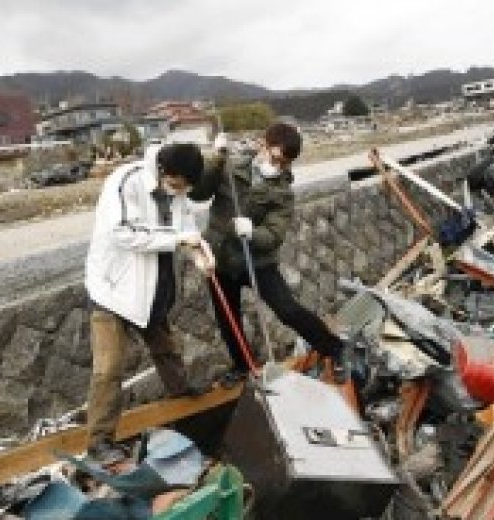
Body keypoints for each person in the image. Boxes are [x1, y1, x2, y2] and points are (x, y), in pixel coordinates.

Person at [84, 142, 214, 463]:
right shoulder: (126, 181)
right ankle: (99, 442)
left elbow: (186, 227)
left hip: (152, 284)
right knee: (108, 369)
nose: (180, 192)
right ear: (165, 171)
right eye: (177, 185)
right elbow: (122, 232)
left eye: (185, 188)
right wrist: (176, 239)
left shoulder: (177, 189)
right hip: (113, 288)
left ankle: (181, 392)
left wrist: (200, 253)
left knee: (165, 347)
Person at [190, 123, 345, 382]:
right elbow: (197, 193)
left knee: (288, 310)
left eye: (285, 163)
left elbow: (274, 236)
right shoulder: (229, 166)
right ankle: (243, 366)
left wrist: (252, 232)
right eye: (275, 159)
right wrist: (215, 158)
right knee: (228, 319)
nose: (278, 167)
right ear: (263, 145)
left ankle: (335, 349)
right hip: (221, 257)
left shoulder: (283, 193)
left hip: (257, 261)